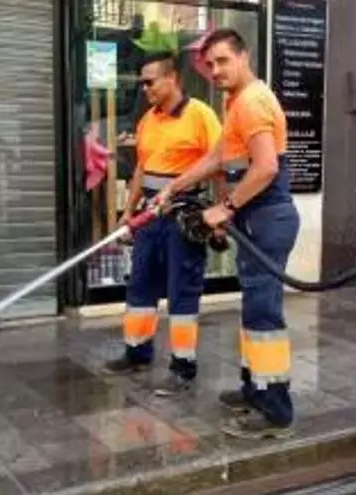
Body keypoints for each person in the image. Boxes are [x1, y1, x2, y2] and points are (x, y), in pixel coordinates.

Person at [154, 28, 300, 440]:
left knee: (264, 314)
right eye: (210, 63)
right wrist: (175, 186)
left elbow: (266, 167)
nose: (215, 70)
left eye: (223, 61)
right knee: (254, 308)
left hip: (266, 216)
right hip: (256, 215)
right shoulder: (236, 101)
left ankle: (275, 412)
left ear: (244, 56)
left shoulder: (252, 102)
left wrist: (227, 207)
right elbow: (218, 157)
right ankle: (255, 389)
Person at [103, 51, 222, 399]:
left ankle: (183, 366)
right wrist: (129, 211)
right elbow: (142, 169)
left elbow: (219, 165)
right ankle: (137, 352)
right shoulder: (148, 120)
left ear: (172, 79)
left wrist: (219, 214)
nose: (145, 88)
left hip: (183, 214)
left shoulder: (200, 115)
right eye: (142, 83)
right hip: (150, 215)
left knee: (182, 289)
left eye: (150, 82)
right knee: (140, 283)